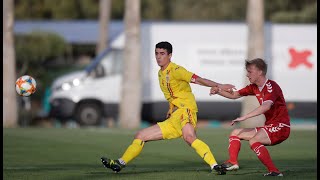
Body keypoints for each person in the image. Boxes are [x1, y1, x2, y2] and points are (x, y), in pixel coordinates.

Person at [101, 41, 235, 175]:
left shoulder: (177, 70)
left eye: (162, 54)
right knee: (140, 135)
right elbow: (172, 96)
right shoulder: (160, 74)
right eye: (157, 53)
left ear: (170, 55)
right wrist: (170, 109)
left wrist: (221, 85)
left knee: (189, 137)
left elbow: (199, 79)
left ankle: (215, 166)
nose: (159, 57)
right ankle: (120, 163)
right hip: (175, 116)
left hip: (186, 110)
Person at [210, 58, 290, 176]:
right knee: (235, 133)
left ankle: (274, 171)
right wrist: (218, 91)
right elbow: (235, 95)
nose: (247, 74)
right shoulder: (254, 87)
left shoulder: (271, 86)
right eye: (247, 71)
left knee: (254, 140)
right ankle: (233, 162)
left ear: (260, 72)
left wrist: (245, 117)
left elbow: (266, 106)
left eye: (250, 71)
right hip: (270, 127)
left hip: (281, 127)